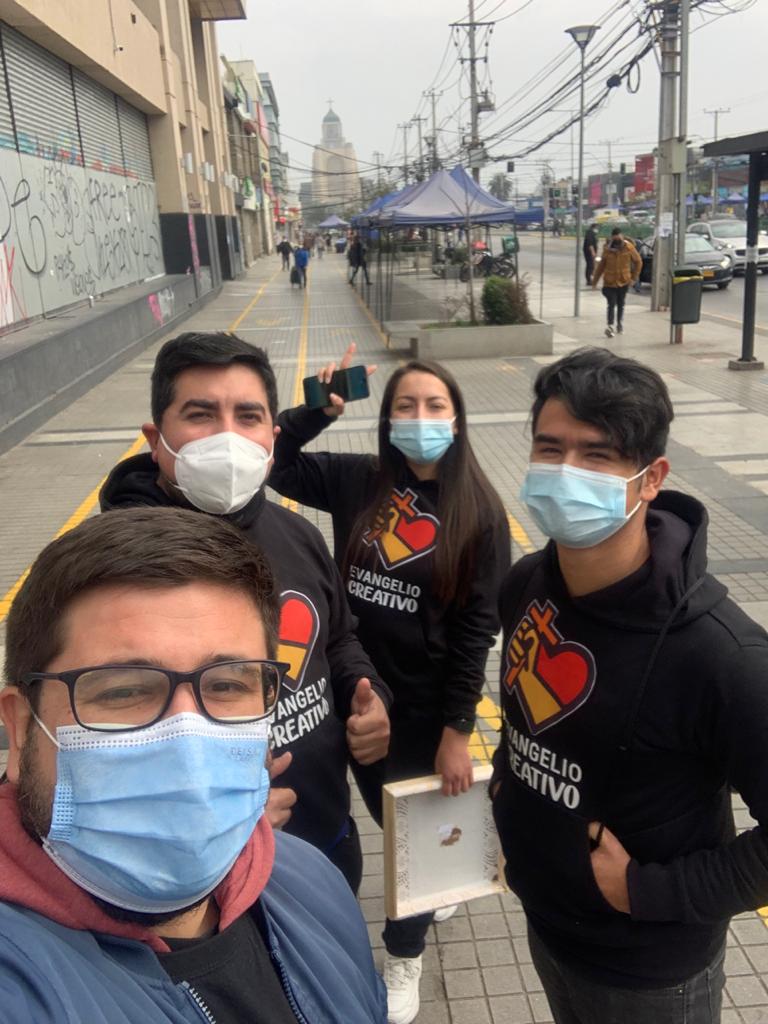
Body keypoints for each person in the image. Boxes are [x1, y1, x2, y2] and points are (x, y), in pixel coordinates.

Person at [0, 507, 387, 1023]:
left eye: (226, 684)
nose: (186, 741)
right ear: (21, 726)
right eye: (123, 691)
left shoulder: (313, 883)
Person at [491, 347, 768, 1024]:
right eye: (550, 448)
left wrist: (650, 891)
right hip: (546, 920)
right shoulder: (528, 584)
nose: (565, 472)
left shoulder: (723, 656)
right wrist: (505, 789)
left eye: (597, 455)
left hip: (648, 971)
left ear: (651, 479)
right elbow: (528, 721)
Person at [99, 332, 391, 894]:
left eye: (248, 416)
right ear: (156, 439)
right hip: (202, 881)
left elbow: (339, 640)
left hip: (327, 843)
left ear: (272, 440)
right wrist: (199, 817)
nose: (227, 436)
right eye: (201, 414)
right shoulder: (107, 575)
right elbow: (80, 741)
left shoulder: (299, 535)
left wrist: (369, 694)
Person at [270, 345, 511, 1024]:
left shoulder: (480, 513)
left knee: (414, 839)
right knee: (386, 815)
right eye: (406, 405)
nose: (420, 417)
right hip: (349, 692)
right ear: (386, 419)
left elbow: (477, 632)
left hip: (423, 710)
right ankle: (435, 885)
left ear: (457, 419)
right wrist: (315, 410)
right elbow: (274, 463)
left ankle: (405, 953)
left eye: (435, 405)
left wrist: (457, 732)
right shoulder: (360, 481)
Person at [591, 227, 642, 338]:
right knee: (611, 303)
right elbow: (601, 266)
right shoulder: (607, 250)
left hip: (623, 281)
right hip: (610, 282)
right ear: (612, 237)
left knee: (621, 304)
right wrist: (594, 281)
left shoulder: (629, 248)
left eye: (618, 237)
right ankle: (610, 325)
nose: (616, 239)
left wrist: (634, 278)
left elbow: (638, 262)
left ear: (622, 236)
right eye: (614, 238)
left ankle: (619, 323)